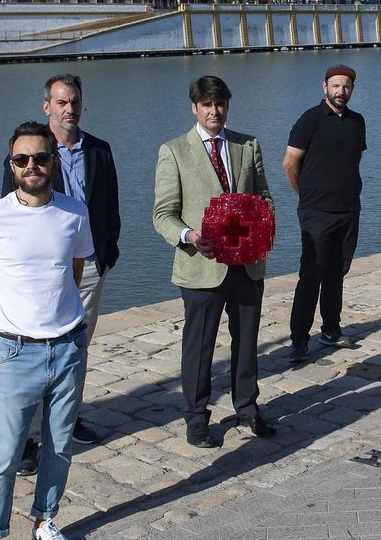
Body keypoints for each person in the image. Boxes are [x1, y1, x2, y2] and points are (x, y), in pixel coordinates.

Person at [0, 122, 94, 540]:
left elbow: (72, 270)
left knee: (59, 446)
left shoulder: (74, 212)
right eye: (22, 160)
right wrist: (5, 325)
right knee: (7, 451)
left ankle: (44, 522)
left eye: (40, 158)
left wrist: (59, 323)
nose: (31, 167)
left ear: (53, 162)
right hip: (16, 352)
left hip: (67, 347)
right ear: (11, 165)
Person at [1, 74, 121, 472]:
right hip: (41, 269)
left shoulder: (99, 150)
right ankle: (31, 438)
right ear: (46, 106)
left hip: (87, 265)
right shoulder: (29, 154)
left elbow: (110, 206)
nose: (70, 109)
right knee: (36, 349)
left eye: (75, 102)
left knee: (75, 350)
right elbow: (9, 208)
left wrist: (106, 254)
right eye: (62, 102)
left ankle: (68, 419)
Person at [152, 75, 276, 448]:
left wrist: (264, 219)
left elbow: (265, 195)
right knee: (199, 346)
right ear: (194, 108)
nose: (214, 111)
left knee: (246, 342)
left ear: (227, 105)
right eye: (206, 104)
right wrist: (189, 235)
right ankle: (196, 416)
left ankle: (247, 407)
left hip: (246, 263)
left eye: (219, 104)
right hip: (200, 265)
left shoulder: (247, 145)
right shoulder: (174, 151)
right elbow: (163, 214)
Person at [283, 65, 367, 363]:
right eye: (335, 86)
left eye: (346, 86)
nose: (340, 91)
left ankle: (331, 330)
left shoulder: (358, 121)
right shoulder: (310, 120)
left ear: (352, 89)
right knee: (311, 275)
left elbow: (353, 161)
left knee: (337, 273)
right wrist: (306, 195)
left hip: (348, 210)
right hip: (316, 213)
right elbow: (290, 164)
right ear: (324, 87)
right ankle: (299, 340)